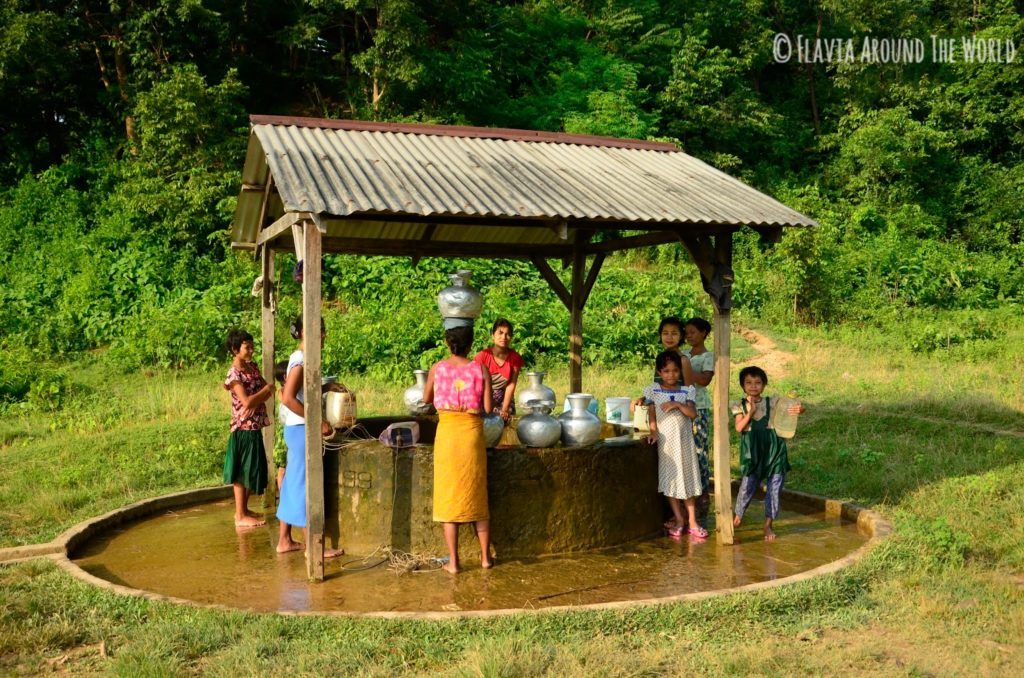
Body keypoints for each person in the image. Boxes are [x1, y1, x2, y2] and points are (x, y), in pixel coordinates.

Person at [422, 325, 494, 573]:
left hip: (448, 436)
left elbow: (426, 399)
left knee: (448, 498)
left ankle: (454, 562)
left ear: (447, 343)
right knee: (477, 494)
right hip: (472, 436)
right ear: (471, 344)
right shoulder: (480, 369)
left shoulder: (438, 369)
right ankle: (485, 558)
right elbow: (488, 407)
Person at [276, 314, 344, 557]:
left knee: (293, 483)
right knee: (305, 486)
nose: (323, 335)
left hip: (296, 428)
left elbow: (302, 393)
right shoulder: (302, 360)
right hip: (300, 429)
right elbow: (288, 397)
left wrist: (326, 388)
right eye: (318, 330)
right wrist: (317, 421)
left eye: (323, 330)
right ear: (304, 333)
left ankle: (285, 540)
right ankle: (314, 549)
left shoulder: (303, 358)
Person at [731, 366, 805, 541]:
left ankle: (768, 525)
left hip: (774, 450)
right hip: (752, 453)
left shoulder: (773, 402)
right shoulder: (738, 405)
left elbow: (794, 407)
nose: (753, 386)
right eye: (748, 382)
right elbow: (739, 427)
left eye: (758, 382)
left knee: (774, 488)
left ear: (764, 385)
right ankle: (736, 519)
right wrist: (750, 413)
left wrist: (799, 410)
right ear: (743, 385)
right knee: (747, 487)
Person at [644, 351, 708, 540]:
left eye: (674, 371)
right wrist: (653, 431)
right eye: (666, 371)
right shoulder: (653, 391)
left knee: (688, 480)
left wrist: (677, 405)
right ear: (659, 372)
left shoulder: (686, 391)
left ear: (680, 371)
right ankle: (679, 519)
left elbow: (693, 414)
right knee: (670, 480)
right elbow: (652, 414)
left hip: (685, 444)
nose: (671, 375)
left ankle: (693, 522)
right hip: (667, 444)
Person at [222, 329, 274, 528]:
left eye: (252, 346)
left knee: (253, 468)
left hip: (255, 425)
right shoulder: (234, 374)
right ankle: (240, 514)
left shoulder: (251, 367)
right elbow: (247, 401)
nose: (251, 350)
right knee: (242, 470)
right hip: (243, 426)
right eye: (247, 347)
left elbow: (263, 392)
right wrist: (265, 391)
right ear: (235, 349)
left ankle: (243, 511)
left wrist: (263, 392)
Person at [683, 317, 714, 525]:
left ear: (704, 333)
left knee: (700, 450)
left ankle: (703, 492)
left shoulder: (708, 356)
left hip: (700, 407)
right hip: (683, 405)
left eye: (693, 332)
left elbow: (705, 380)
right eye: (687, 333)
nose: (689, 336)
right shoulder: (683, 354)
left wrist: (684, 371)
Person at [632, 316, 694, 411]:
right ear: (660, 335)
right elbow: (656, 389)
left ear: (681, 336)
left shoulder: (683, 360)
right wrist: (643, 399)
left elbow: (690, 393)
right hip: (660, 411)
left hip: (678, 413)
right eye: (665, 333)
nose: (669, 337)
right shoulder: (661, 358)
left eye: (674, 333)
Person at [473, 318, 524, 421]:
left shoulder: (515, 358)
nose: (504, 337)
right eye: (500, 333)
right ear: (493, 335)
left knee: (505, 418)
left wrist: (504, 408)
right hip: (483, 395)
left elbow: (511, 385)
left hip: (504, 397)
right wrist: (489, 407)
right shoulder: (482, 356)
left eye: (507, 334)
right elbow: (476, 384)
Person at [272, 360, 289, 492]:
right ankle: (283, 496)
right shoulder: (283, 392)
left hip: (286, 431)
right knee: (283, 469)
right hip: (284, 433)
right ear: (285, 377)